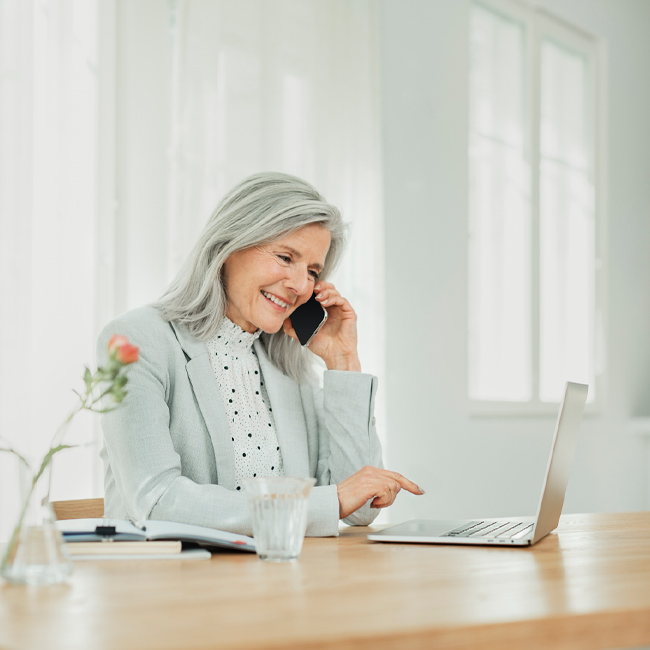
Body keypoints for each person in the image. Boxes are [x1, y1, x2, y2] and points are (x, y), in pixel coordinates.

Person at [97, 172, 423, 536]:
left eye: (313, 271)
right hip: (169, 584)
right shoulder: (137, 340)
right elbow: (156, 501)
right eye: (286, 257)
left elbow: (360, 507)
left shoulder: (290, 371)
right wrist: (325, 502)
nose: (301, 286)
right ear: (229, 245)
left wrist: (343, 362)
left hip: (276, 583)